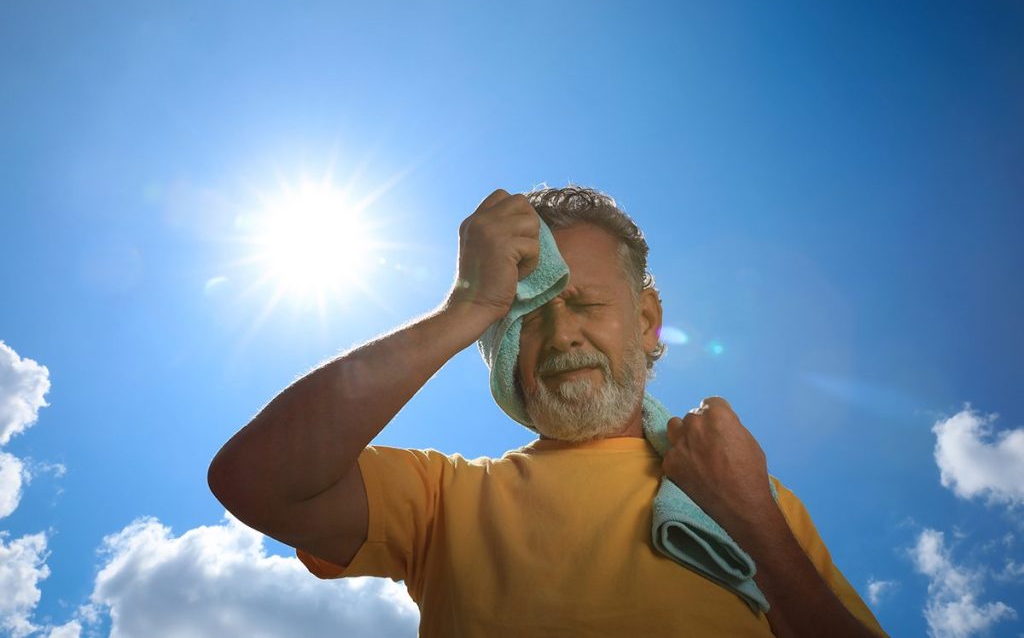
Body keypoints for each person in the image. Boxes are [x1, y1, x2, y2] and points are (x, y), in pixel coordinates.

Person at [208, 186, 888, 637]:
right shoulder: (443, 499)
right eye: (526, 317)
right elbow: (255, 480)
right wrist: (468, 306)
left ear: (647, 320)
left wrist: (755, 520)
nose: (562, 335)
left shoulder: (756, 499)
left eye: (586, 302)